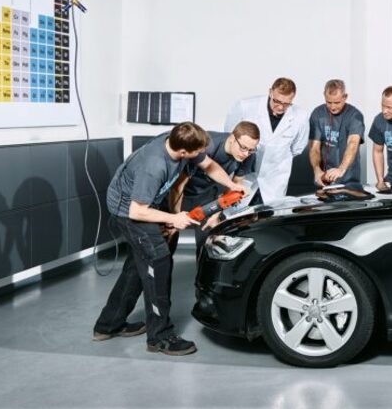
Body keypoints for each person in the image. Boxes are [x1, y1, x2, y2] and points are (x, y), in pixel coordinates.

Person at [92, 122, 243, 356]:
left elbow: (209, 165)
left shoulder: (178, 141)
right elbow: (137, 211)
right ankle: (160, 336)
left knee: (138, 264)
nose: (201, 155)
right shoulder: (154, 166)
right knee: (158, 260)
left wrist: (231, 185)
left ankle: (108, 324)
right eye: (196, 152)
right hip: (127, 211)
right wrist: (174, 218)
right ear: (184, 152)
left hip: (145, 204)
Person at [177, 121, 260, 258]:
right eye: (243, 148)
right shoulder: (207, 145)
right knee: (177, 238)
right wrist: (175, 214)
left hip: (209, 194)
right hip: (182, 193)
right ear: (233, 139)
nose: (246, 154)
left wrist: (216, 213)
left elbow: (234, 185)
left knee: (208, 240)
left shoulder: (249, 155)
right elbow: (178, 184)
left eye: (251, 149)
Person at [224, 78, 309, 204]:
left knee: (269, 218)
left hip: (274, 180)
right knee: (236, 216)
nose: (280, 107)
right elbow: (229, 138)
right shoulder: (245, 106)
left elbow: (297, 148)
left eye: (286, 104)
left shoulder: (300, 116)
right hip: (242, 176)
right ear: (270, 92)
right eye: (277, 101)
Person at [308, 79, 365, 191]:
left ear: (345, 97)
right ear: (324, 96)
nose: (333, 107)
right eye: (329, 102)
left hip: (349, 180)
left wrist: (341, 169)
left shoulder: (355, 115)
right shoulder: (317, 114)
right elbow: (314, 147)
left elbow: (352, 144)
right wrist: (317, 170)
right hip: (324, 179)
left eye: (337, 102)